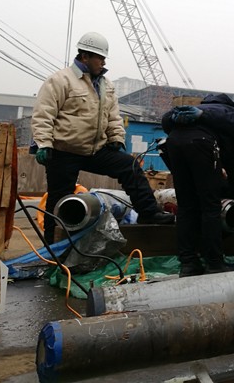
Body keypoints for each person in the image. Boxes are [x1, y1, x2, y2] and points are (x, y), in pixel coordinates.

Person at [31, 32, 174, 245]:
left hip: (95, 150)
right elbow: (43, 114)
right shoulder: (60, 81)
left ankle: (148, 212)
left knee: (129, 167)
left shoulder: (106, 84)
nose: (104, 63)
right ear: (85, 56)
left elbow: (113, 116)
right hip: (64, 151)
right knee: (58, 200)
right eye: (100, 58)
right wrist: (44, 143)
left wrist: (116, 138)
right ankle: (53, 247)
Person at [160, 94, 234, 277]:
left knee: (186, 206)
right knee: (210, 206)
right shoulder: (230, 111)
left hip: (174, 142)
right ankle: (214, 263)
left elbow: (165, 122)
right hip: (202, 143)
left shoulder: (188, 112)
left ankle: (188, 263)